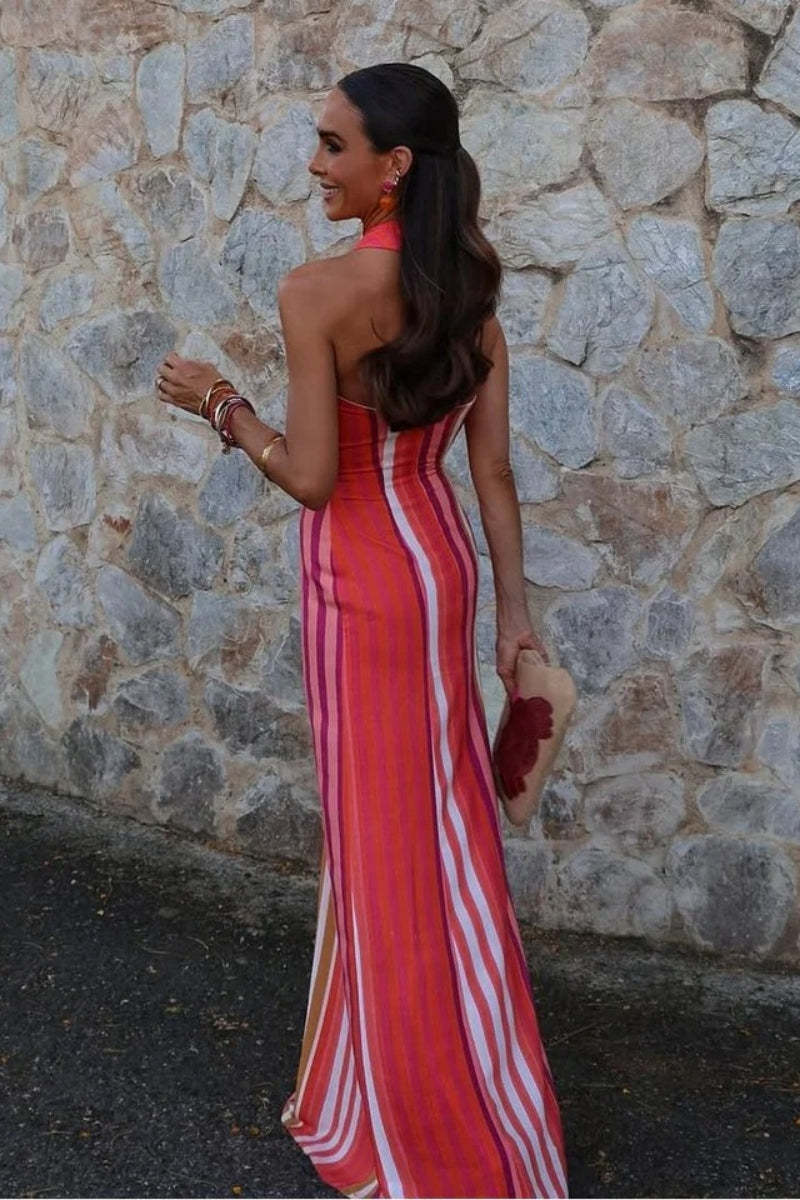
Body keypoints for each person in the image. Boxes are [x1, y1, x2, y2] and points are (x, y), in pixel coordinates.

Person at [155, 60, 568, 1200]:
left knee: (380, 846)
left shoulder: (316, 292)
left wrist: (218, 402)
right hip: (441, 572)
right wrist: (514, 617)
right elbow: (491, 473)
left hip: (360, 585)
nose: (313, 163)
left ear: (396, 166)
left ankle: (420, 1129)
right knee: (443, 830)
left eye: (333, 144)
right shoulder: (471, 287)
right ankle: (470, 1084)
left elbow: (310, 478)